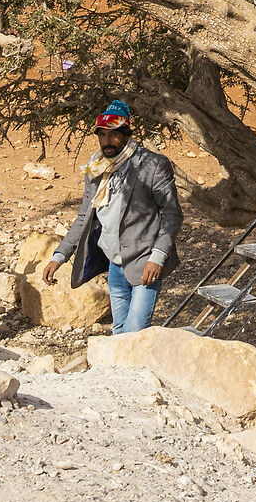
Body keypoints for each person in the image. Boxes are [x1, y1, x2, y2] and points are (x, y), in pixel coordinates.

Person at [43, 101, 182, 335]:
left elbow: (172, 214)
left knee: (134, 332)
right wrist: (59, 257)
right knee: (118, 331)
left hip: (144, 262)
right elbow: (84, 217)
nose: (107, 141)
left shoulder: (152, 165)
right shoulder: (96, 169)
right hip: (115, 264)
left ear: (126, 135)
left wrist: (157, 258)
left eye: (114, 135)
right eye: (102, 135)